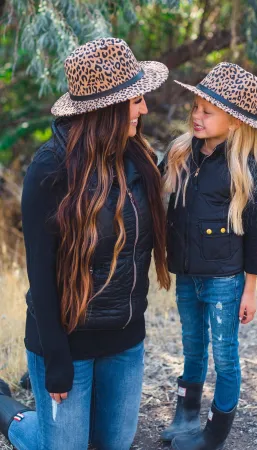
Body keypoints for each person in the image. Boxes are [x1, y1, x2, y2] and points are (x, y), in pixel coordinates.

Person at [0, 37, 170, 450]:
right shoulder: (49, 170)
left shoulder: (140, 159)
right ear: (107, 109)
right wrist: (56, 358)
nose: (144, 108)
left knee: (113, 444)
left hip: (125, 339)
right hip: (66, 342)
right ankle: (8, 411)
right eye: (135, 101)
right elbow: (39, 272)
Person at [160, 62, 257, 450]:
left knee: (225, 355)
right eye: (195, 107)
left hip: (226, 277)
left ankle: (214, 433)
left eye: (208, 112)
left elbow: (255, 235)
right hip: (187, 274)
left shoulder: (244, 170)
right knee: (192, 346)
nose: (197, 115)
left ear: (235, 123)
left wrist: (250, 289)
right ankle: (186, 416)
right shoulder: (180, 153)